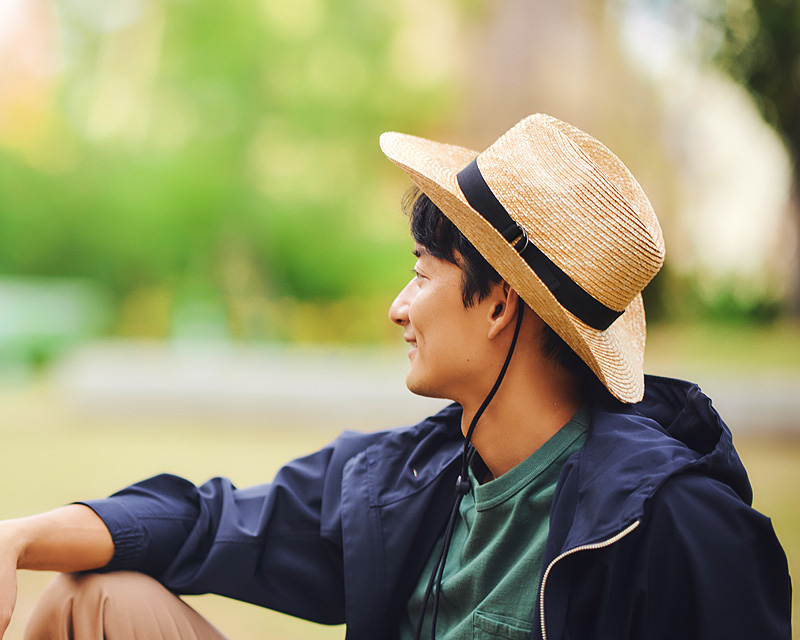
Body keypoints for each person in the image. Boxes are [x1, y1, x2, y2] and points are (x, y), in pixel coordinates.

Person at [0, 114, 792, 640]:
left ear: (498, 307)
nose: (396, 307)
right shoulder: (414, 477)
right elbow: (209, 522)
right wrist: (19, 538)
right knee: (91, 601)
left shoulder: (675, 527)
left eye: (421, 272)